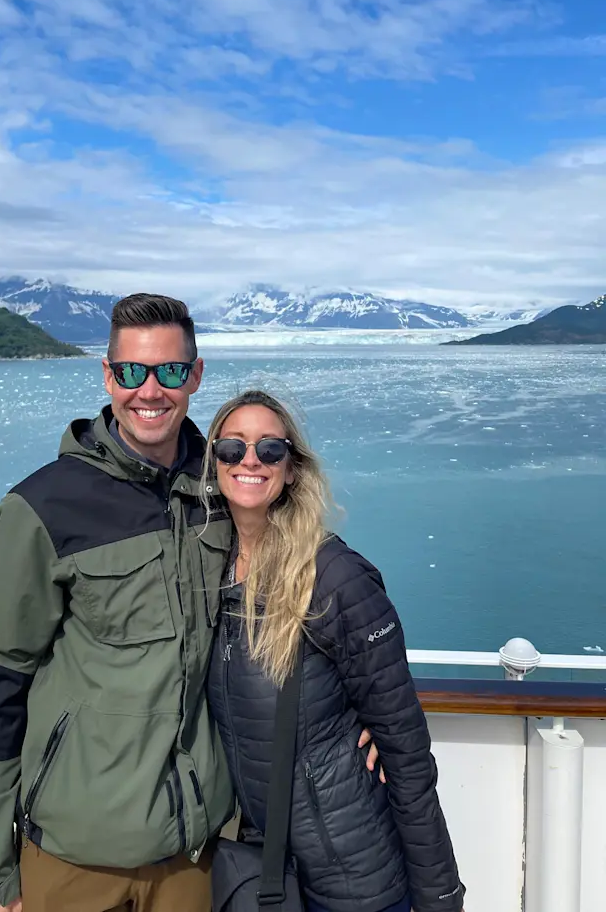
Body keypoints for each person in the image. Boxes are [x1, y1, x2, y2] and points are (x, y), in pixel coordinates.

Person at [0, 293, 382, 912]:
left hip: (195, 855)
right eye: (131, 372)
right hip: (75, 855)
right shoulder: (46, 509)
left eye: (170, 371)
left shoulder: (225, 486)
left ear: (195, 375)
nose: (149, 390)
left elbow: (318, 572)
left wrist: (361, 706)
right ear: (108, 375)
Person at [203, 389, 466, 912]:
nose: (249, 460)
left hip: (356, 879)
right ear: (214, 463)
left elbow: (406, 753)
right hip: (272, 869)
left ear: (293, 468)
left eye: (269, 449)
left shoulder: (333, 579)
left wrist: (440, 896)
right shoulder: (210, 571)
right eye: (232, 448)